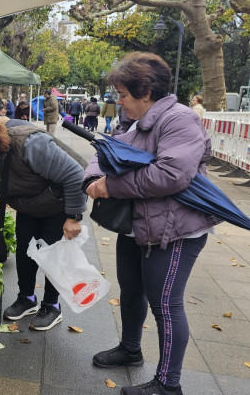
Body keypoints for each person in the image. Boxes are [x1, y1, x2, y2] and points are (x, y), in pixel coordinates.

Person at [84, 53, 219, 395]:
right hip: (138, 224)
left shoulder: (180, 120)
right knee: (131, 289)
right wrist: (92, 177)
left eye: (123, 95)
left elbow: (171, 175)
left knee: (166, 304)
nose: (120, 102)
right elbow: (104, 154)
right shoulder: (133, 121)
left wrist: (110, 186)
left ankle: (168, 385)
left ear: (145, 92)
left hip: (174, 231)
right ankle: (130, 349)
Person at [0, 122, 86, 331]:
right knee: (24, 253)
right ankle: (27, 298)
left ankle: (51, 306)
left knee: (54, 256)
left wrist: (73, 217)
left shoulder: (30, 146)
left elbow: (74, 174)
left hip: (57, 204)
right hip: (27, 206)